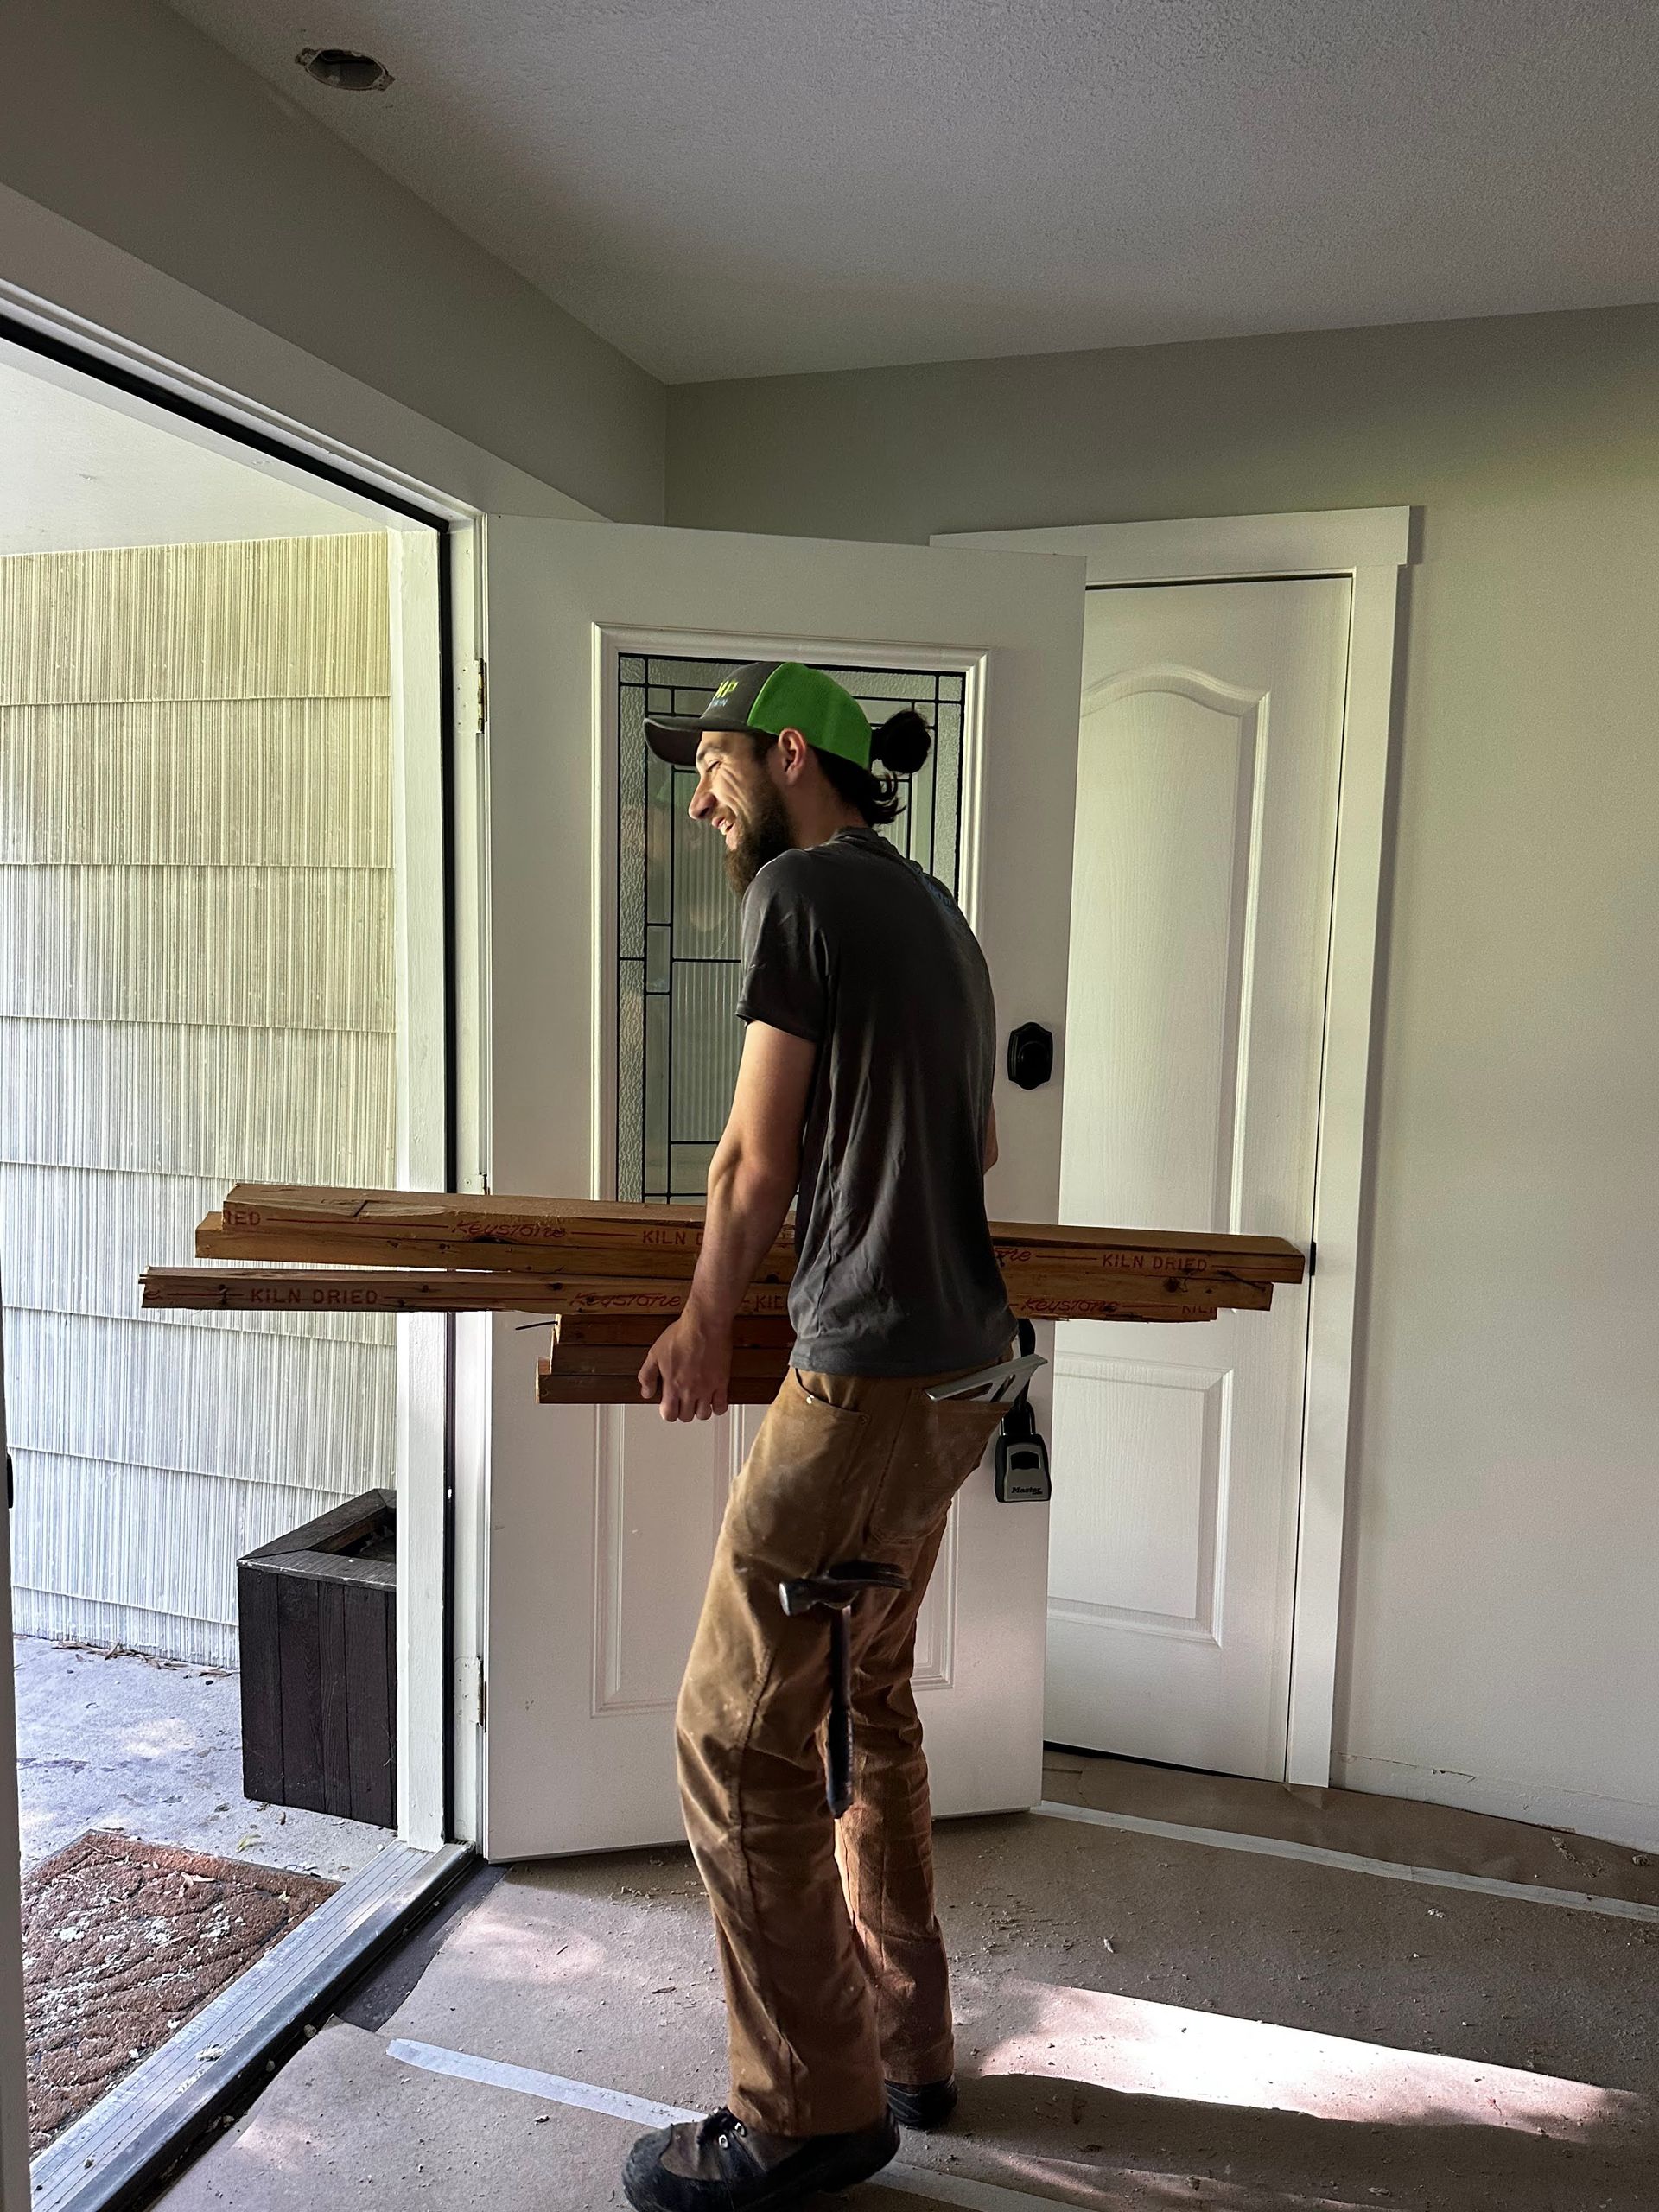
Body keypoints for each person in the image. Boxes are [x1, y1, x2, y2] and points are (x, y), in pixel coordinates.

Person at [620, 662, 1014, 2212]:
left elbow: (752, 1153)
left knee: (733, 1738)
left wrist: (707, 1318)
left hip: (866, 1382)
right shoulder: (944, 921)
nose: (698, 793)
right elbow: (972, 1143)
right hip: (971, 1374)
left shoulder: (792, 893)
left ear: (792, 756)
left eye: (710, 762)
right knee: (873, 1706)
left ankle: (803, 2113)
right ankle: (909, 2049)